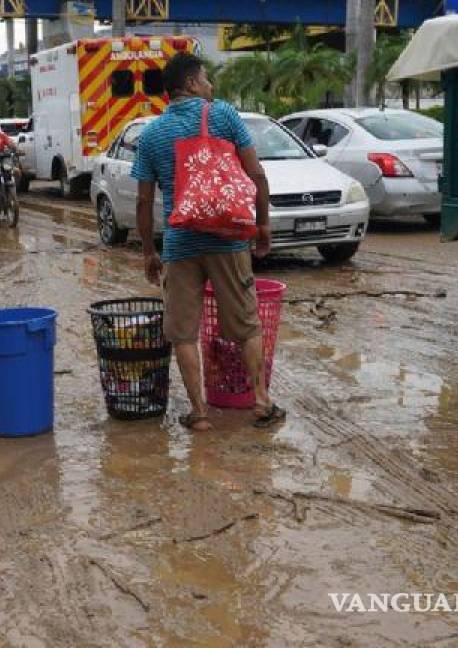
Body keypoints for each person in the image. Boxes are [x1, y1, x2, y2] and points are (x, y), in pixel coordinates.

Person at [130, 52, 286, 430]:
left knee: (183, 331)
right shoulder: (224, 116)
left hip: (180, 244)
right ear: (190, 85)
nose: (211, 86)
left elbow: (143, 200)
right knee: (247, 324)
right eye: (205, 79)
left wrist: (150, 252)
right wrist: (262, 227)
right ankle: (261, 403)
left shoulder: (150, 135)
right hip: (228, 240)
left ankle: (199, 413)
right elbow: (258, 177)